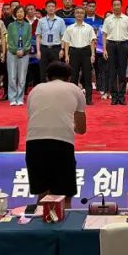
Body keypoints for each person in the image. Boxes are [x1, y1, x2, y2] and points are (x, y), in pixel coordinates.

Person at [25, 61, 87, 208]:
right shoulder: (75, 90)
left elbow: (33, 117)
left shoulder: (35, 90)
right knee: (64, 197)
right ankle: (65, 222)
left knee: (43, 195)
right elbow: (81, 129)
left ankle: (40, 221)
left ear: (47, 77)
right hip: (62, 144)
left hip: (33, 145)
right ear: (69, 78)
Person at [102, 0, 128, 105]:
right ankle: (114, 96)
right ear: (112, 7)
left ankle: (122, 96)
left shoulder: (127, 19)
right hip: (111, 45)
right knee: (112, 72)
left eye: (118, 5)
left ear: (121, 6)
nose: (116, 7)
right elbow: (104, 35)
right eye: (114, 5)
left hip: (123, 45)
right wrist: (104, 49)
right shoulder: (108, 19)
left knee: (122, 72)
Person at [62, 7, 96, 103]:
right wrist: (66, 55)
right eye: (77, 13)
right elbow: (66, 42)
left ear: (84, 14)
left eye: (81, 13)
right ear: (74, 14)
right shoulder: (70, 28)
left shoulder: (89, 27)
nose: (79, 14)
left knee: (87, 76)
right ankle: (73, 99)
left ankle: (88, 99)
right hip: (73, 52)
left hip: (86, 52)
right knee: (73, 76)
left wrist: (93, 54)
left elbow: (92, 41)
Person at [6, 6, 33, 105]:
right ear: (15, 14)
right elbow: (9, 40)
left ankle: (20, 98)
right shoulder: (11, 25)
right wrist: (15, 50)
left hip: (24, 54)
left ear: (24, 13)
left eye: (21, 12)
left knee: (22, 78)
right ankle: (12, 98)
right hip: (12, 53)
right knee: (12, 77)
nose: (20, 14)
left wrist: (24, 50)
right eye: (18, 12)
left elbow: (29, 40)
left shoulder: (28, 26)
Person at [37, 0, 67, 81]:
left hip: (56, 48)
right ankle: (44, 87)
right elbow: (38, 36)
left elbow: (63, 36)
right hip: (44, 48)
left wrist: (62, 49)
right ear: (46, 8)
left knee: (56, 71)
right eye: (49, 6)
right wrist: (38, 51)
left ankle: (55, 87)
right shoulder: (41, 21)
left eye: (53, 6)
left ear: (55, 8)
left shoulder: (60, 21)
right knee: (43, 71)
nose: (51, 8)